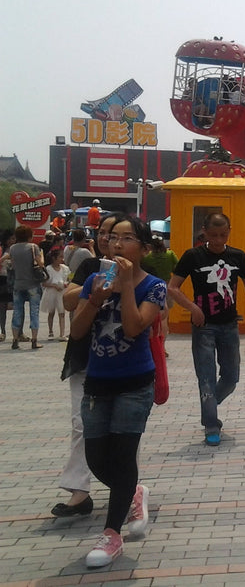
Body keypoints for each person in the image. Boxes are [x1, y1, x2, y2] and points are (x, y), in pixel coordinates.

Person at [69, 216, 165, 568]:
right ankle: (134, 491)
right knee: (96, 458)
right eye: (113, 238)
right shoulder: (95, 280)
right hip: (97, 380)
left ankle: (111, 535)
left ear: (143, 247)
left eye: (127, 238)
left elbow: (135, 325)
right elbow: (78, 331)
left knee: (123, 456)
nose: (117, 244)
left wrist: (125, 286)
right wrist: (94, 298)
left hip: (135, 383)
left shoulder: (154, 286)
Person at [167, 213, 245, 446]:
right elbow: (173, 287)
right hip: (203, 326)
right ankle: (211, 423)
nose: (218, 240)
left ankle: (207, 409)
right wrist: (192, 307)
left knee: (231, 376)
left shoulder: (237, 256)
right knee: (206, 377)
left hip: (229, 324)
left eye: (223, 235)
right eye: (213, 235)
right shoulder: (193, 256)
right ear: (204, 233)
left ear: (229, 230)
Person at [54, 213, 122, 519]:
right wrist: (91, 290)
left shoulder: (137, 272)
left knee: (122, 427)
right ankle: (79, 491)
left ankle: (127, 487)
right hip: (85, 357)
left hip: (123, 361)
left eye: (117, 233)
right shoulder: (89, 267)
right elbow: (68, 301)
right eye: (105, 233)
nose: (110, 239)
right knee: (81, 423)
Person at [8, 225, 45, 350]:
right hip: (32, 284)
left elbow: (12, 265)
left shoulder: (12, 248)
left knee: (17, 311)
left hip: (18, 284)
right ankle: (34, 341)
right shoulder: (33, 247)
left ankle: (15, 340)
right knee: (34, 311)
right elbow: (40, 264)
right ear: (29, 235)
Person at [141, 236, 178, 342]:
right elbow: (177, 268)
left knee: (152, 316)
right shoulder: (170, 254)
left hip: (150, 285)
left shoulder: (147, 257)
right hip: (167, 285)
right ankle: (162, 345)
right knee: (164, 317)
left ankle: (154, 342)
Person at [40, 247, 70, 340]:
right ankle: (50, 331)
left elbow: (69, 279)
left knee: (62, 313)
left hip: (61, 293)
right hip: (51, 293)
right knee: (51, 312)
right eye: (60, 257)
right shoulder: (48, 269)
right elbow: (44, 283)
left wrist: (66, 284)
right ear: (54, 258)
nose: (62, 259)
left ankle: (62, 334)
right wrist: (53, 285)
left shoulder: (65, 268)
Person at [0, 231, 12, 342]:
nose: (12, 241)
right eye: (10, 239)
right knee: (2, 307)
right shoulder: (2, 250)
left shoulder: (15, 250)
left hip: (12, 280)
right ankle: (2, 331)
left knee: (17, 307)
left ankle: (19, 333)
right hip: (2, 279)